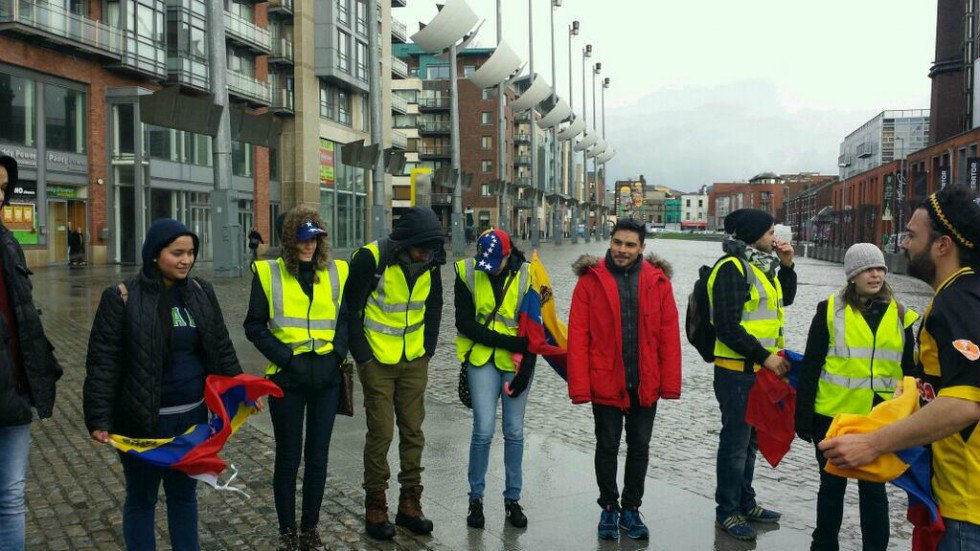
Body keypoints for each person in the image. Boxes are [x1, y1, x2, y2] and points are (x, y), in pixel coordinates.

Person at [820, 185, 980, 551]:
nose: (903, 244)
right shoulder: (968, 295)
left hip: (968, 506)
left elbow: (966, 402)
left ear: (943, 245)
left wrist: (872, 443)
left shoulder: (956, 303)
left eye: (911, 235)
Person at [83, 218, 245, 551]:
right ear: (155, 255)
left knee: (183, 496)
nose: (186, 260)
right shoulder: (122, 297)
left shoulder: (201, 292)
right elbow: (103, 362)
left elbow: (220, 347)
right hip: (142, 422)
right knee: (142, 499)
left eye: (191, 253)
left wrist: (242, 389)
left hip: (190, 423)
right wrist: (99, 417)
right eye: (177, 253)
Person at [795, 243, 918, 551]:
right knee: (831, 487)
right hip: (832, 416)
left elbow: (910, 371)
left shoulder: (901, 313)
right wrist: (803, 416)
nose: (875, 275)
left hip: (879, 419)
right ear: (852, 275)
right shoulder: (829, 310)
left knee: (875, 491)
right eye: (867, 269)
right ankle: (823, 545)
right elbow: (811, 365)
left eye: (879, 269)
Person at [567, 217, 682, 541]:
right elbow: (578, 336)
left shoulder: (658, 281)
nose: (621, 249)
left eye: (630, 244)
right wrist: (579, 386)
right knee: (606, 446)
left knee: (639, 447)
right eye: (617, 242)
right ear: (610, 242)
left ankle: (631, 508)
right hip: (605, 380)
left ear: (641, 248)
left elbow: (668, 335)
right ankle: (608, 508)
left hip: (645, 382)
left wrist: (669, 383)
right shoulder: (590, 281)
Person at [244, 207, 349, 551]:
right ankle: (288, 530)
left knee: (318, 456)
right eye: (303, 239)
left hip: (326, 379)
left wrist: (335, 355)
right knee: (288, 456)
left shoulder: (337, 271)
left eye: (315, 239)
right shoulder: (268, 273)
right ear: (290, 241)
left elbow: (347, 318)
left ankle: (310, 528)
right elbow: (254, 326)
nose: (309, 246)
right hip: (287, 378)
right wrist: (287, 359)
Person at [344, 206, 445, 540]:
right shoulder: (370, 260)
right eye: (420, 248)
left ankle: (410, 504)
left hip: (414, 359)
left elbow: (434, 306)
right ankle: (376, 504)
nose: (426, 254)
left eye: (430, 248)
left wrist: (428, 348)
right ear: (404, 243)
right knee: (382, 433)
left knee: (413, 432)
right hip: (377, 362)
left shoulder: (432, 260)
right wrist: (364, 358)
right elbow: (351, 311)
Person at [707, 208, 797, 540]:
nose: (774, 237)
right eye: (769, 231)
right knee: (735, 444)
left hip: (759, 372)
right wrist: (765, 357)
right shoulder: (730, 268)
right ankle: (727, 512)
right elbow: (727, 328)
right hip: (736, 373)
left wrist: (787, 266)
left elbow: (784, 299)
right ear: (751, 233)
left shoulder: (761, 267)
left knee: (750, 444)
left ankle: (746, 502)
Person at [0, 155, 62, 551]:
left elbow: (23, 315)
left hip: (14, 393)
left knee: (10, 498)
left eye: (2, 187)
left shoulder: (8, 242)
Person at [454, 229, 534, 530]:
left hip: (515, 363)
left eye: (494, 264)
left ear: (507, 254)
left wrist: (526, 365)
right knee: (483, 430)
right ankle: (475, 498)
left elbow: (535, 329)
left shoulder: (528, 275)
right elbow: (465, 323)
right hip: (482, 358)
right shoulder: (468, 272)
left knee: (514, 431)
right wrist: (511, 343)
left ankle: (512, 499)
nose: (487, 270)